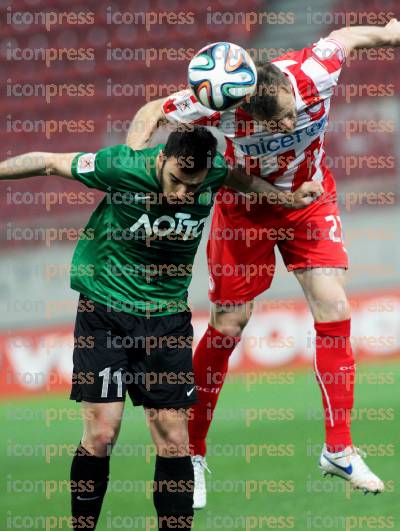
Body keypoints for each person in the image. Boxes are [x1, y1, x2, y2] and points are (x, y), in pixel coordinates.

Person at [126, 20, 400, 504]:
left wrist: (390, 32)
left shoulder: (316, 71)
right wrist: (130, 161)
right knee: (230, 325)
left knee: (334, 307)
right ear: (243, 108)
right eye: (278, 124)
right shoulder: (216, 106)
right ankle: (191, 453)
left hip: (309, 198)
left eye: (293, 115)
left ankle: (338, 449)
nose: (291, 126)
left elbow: (350, 37)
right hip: (244, 209)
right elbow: (151, 110)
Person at [0, 126, 320, 529]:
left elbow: (239, 179)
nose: (182, 195)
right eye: (175, 182)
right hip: (104, 312)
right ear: (161, 159)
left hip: (167, 320)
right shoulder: (120, 166)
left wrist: (285, 197)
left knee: (173, 438)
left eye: (193, 187)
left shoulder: (215, 172)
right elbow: (48, 161)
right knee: (101, 434)